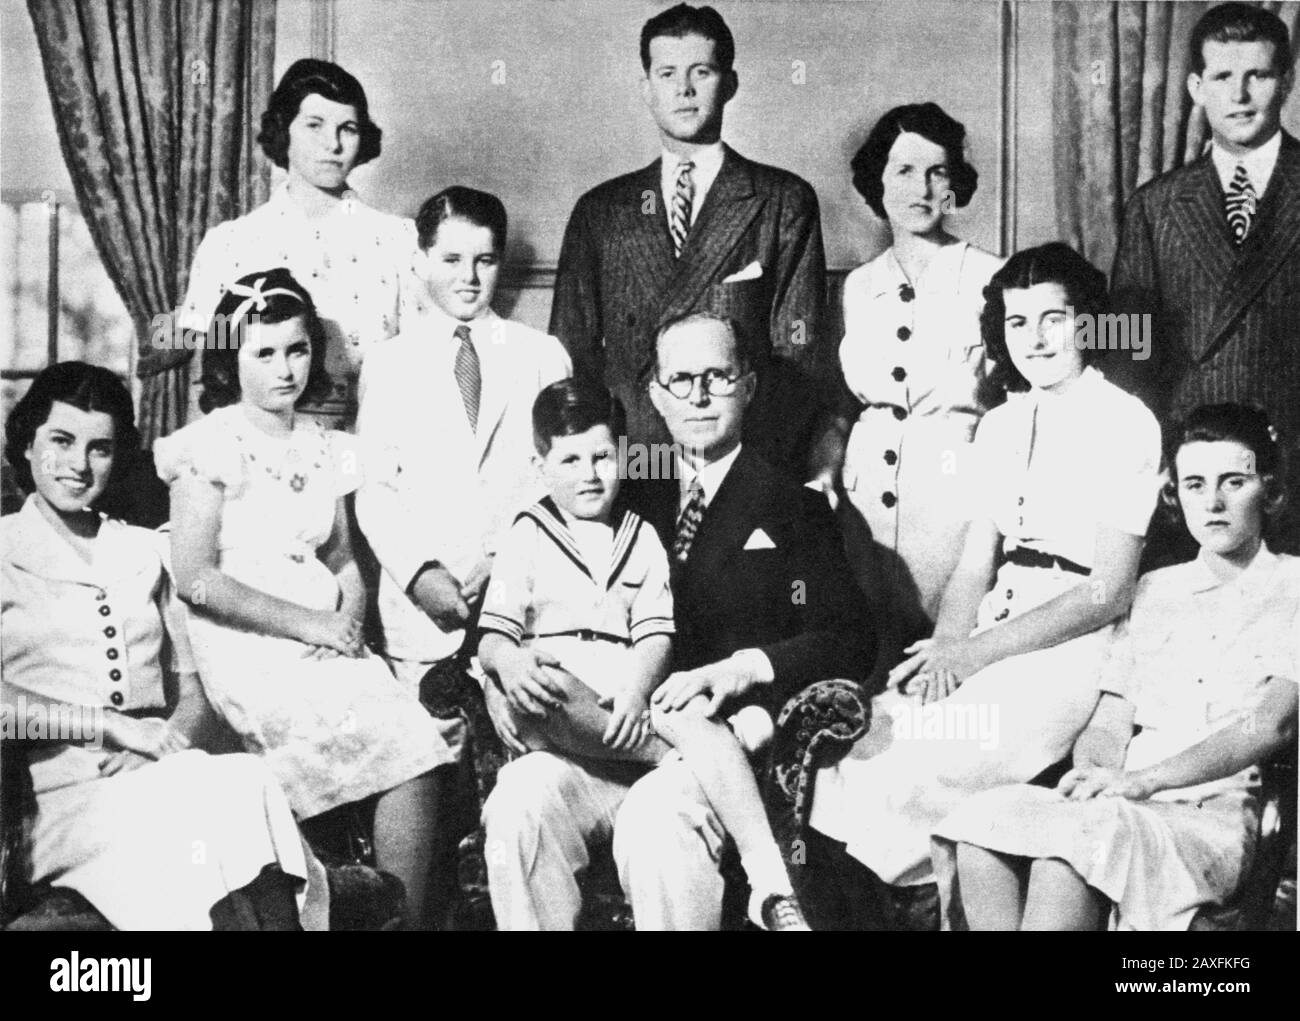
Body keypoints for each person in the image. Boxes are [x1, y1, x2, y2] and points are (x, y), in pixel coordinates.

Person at [482, 312, 873, 931]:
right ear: (656, 397)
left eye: (716, 377)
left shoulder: (792, 505)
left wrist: (743, 668)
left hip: (715, 752)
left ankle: (768, 889)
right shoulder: (613, 484)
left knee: (656, 820)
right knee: (518, 801)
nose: (697, 395)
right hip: (600, 735)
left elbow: (851, 638)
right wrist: (503, 678)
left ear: (746, 387)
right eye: (680, 379)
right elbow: (519, 596)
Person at [809, 243, 1162, 890]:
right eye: (1016, 322)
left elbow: (1107, 592)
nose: (1034, 338)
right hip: (992, 627)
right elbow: (976, 562)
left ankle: (929, 899)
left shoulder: (1126, 422)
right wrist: (945, 646)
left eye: (1052, 319)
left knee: (929, 763)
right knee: (865, 745)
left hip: (1071, 649)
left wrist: (976, 655)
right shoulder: (999, 424)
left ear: (1087, 321)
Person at [156, 269, 453, 930]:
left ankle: (393, 917)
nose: (285, 368)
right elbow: (194, 577)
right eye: (263, 353)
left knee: (419, 742)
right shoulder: (206, 447)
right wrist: (310, 625)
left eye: (296, 349)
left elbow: (342, 554)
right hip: (248, 641)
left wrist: (348, 617)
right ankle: (317, 899)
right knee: (342, 730)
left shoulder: (326, 448)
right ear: (230, 363)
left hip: (323, 636)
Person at [933, 404, 1297, 931]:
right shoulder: (1153, 590)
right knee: (983, 823)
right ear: (1175, 494)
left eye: (1233, 481)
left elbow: (1271, 725)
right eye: (1194, 484)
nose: (1213, 502)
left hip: (1210, 815)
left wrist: (1143, 782)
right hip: (1129, 798)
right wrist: (1098, 773)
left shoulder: (1293, 587)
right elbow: (1111, 718)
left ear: (1269, 488)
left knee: (1075, 850)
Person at [1, 361, 327, 930]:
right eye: (61, 441)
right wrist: (111, 726)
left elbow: (195, 692)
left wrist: (159, 743)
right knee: (201, 807)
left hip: (163, 767)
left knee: (239, 781)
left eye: (99, 448)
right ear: (27, 445)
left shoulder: (147, 551)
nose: (79, 465)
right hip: (60, 799)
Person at [548, 3, 834, 482]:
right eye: (667, 74)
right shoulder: (601, 210)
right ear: (647, 89)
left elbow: (796, 356)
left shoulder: (782, 199)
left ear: (730, 84)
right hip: (632, 462)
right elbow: (571, 354)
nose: (683, 89)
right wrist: (598, 467)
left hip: (743, 463)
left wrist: (754, 472)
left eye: (701, 71)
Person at [355, 186, 570, 715]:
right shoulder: (389, 364)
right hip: (424, 619)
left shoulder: (541, 355)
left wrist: (505, 558)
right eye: (451, 259)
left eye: (484, 260)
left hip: (522, 606)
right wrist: (419, 573)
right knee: (436, 761)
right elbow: (375, 490)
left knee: (524, 746)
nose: (468, 278)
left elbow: (559, 481)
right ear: (421, 261)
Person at [1111, 3, 1300, 554]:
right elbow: (1124, 348)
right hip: (1191, 477)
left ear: (1285, 82)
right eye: (1222, 77)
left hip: (1291, 468)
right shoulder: (1154, 205)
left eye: (1257, 76)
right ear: (1196, 86)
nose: (1239, 96)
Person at [836, 103, 1004, 687]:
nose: (922, 188)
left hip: (953, 496)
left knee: (942, 670)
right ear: (877, 182)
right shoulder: (859, 287)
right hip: (864, 506)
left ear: (955, 184)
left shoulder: (992, 276)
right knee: (868, 660)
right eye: (904, 170)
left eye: (937, 172)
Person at [179, 59, 422, 429]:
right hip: (258, 462)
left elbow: (421, 375)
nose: (334, 144)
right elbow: (210, 384)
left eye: (348, 128)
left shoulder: (400, 242)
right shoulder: (227, 244)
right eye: (314, 125)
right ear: (282, 131)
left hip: (374, 455)